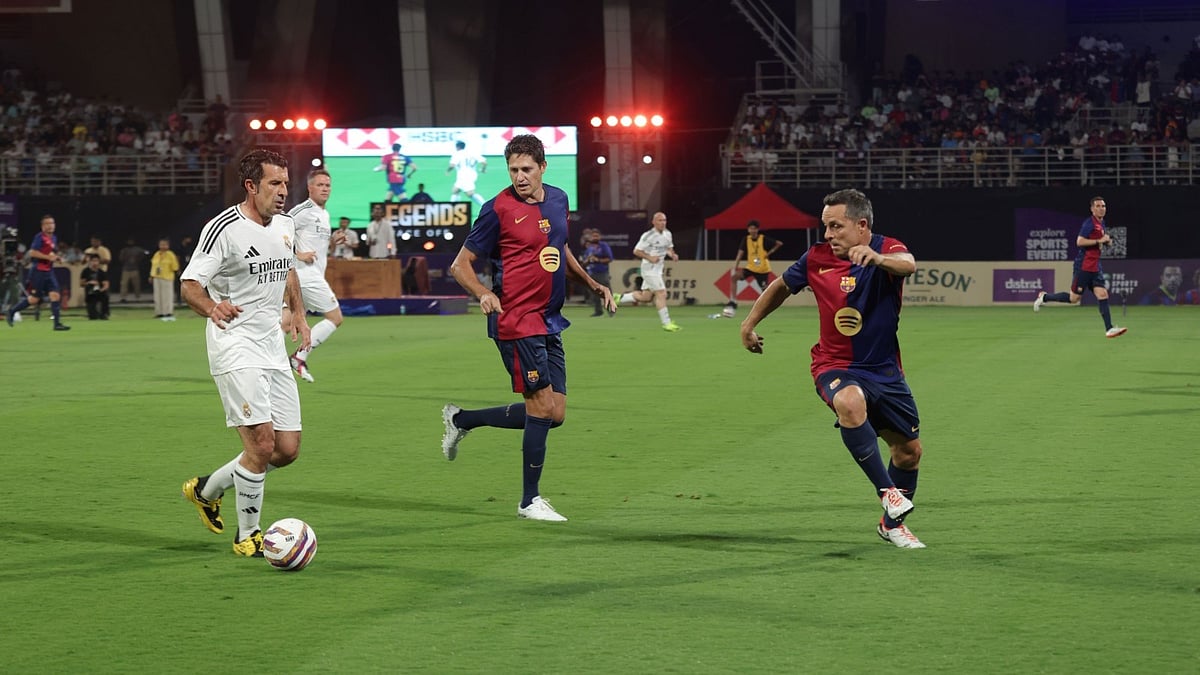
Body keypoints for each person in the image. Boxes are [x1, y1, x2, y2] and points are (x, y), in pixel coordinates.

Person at [441, 133, 615, 522]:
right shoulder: (496, 209)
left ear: (542, 168)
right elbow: (459, 265)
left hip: (549, 318)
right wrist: (483, 293)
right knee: (540, 406)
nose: (519, 177)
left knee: (556, 413)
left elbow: (561, 246)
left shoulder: (558, 199)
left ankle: (461, 419)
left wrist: (592, 283)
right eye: (513, 169)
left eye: (526, 169)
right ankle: (528, 501)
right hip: (515, 320)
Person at [739, 188, 926, 549]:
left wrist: (876, 259)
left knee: (908, 453)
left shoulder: (886, 249)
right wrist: (748, 324)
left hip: (884, 370)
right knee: (850, 403)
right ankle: (887, 491)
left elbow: (909, 263)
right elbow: (781, 286)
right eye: (825, 227)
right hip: (834, 363)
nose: (828, 235)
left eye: (836, 227)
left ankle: (891, 526)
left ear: (861, 225)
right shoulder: (816, 258)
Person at [179, 148, 311, 558]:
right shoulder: (224, 229)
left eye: (286, 183)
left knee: (286, 450)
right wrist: (212, 307)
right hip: (235, 347)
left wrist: (299, 313)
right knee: (259, 445)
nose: (284, 191)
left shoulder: (286, 224)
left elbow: (286, 264)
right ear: (251, 186)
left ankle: (206, 489)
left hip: (271, 345)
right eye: (274, 183)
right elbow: (190, 285)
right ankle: (248, 536)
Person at [285, 168, 349, 383]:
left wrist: (332, 243)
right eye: (320, 185)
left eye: (327, 185)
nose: (324, 189)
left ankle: (263, 365)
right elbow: (276, 232)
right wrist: (297, 253)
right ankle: (299, 357)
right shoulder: (302, 211)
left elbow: (316, 247)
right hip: (303, 275)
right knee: (335, 317)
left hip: (310, 275)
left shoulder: (324, 214)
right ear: (309, 187)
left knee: (285, 323)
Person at [1033, 196, 1128, 337]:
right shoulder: (1089, 223)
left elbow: (1099, 242)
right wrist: (1099, 240)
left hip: (1095, 267)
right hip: (1084, 266)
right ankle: (1045, 297)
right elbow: (1080, 241)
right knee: (1074, 299)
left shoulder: (1101, 223)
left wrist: (1106, 242)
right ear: (1092, 209)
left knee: (1102, 294)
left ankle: (1109, 329)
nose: (1101, 208)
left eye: (1103, 206)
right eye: (1098, 206)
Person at [614, 211, 681, 331]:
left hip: (658, 269)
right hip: (649, 269)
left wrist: (673, 255)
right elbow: (636, 251)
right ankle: (667, 323)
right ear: (654, 222)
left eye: (664, 220)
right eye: (660, 220)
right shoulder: (648, 235)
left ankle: (619, 298)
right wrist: (650, 257)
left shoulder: (667, 234)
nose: (662, 223)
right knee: (661, 293)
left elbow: (669, 248)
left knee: (646, 297)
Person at [5, 214, 70, 331]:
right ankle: (12, 311)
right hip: (38, 271)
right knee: (34, 299)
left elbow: (51, 252)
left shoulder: (53, 238)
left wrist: (57, 257)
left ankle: (57, 324)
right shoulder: (39, 237)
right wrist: (48, 257)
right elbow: (33, 253)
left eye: (52, 223)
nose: (50, 226)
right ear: (42, 226)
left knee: (55, 295)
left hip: (49, 271)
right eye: (47, 224)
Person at [731, 219, 783, 292]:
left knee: (764, 291)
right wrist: (735, 267)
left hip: (762, 269)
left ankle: (771, 300)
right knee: (734, 277)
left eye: (754, 228)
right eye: (751, 228)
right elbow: (739, 254)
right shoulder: (746, 239)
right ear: (748, 229)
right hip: (751, 267)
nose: (752, 230)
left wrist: (769, 253)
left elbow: (779, 243)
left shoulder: (763, 238)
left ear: (758, 229)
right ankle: (733, 301)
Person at [581, 228, 614, 316]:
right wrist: (588, 260)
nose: (595, 237)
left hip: (602, 272)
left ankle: (611, 310)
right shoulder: (589, 248)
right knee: (595, 293)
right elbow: (583, 262)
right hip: (591, 273)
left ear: (600, 237)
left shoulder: (603, 246)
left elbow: (609, 259)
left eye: (597, 236)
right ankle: (598, 311)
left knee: (607, 292)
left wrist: (598, 260)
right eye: (593, 236)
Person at [447, 139, 487, 206]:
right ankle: (452, 209)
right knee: (455, 191)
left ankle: (486, 206)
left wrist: (448, 171)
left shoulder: (457, 154)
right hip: (471, 175)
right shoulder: (472, 153)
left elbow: (452, 165)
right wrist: (483, 169)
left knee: (470, 193)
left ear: (457, 147)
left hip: (464, 176)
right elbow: (484, 163)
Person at [149, 237, 179, 321]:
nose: (163, 246)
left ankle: (168, 312)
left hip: (167, 277)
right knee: (157, 296)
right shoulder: (157, 254)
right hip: (157, 277)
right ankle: (159, 312)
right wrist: (151, 276)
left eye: (165, 244)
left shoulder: (170, 254)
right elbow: (154, 266)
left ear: (168, 245)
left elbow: (175, 267)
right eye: (161, 244)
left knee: (167, 296)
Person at [79, 253, 110, 319]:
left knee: (105, 296)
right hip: (90, 293)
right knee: (93, 317)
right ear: (90, 261)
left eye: (96, 261)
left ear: (99, 262)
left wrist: (101, 290)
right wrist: (89, 283)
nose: (95, 263)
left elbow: (106, 285)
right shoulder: (85, 271)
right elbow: (81, 284)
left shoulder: (102, 272)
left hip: (100, 292)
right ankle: (93, 312)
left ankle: (104, 313)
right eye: (93, 261)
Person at [117, 237, 145, 302]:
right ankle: (123, 297)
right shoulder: (124, 250)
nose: (130, 243)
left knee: (136, 284)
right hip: (126, 269)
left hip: (135, 269)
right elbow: (120, 259)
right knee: (124, 284)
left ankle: (137, 297)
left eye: (131, 241)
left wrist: (138, 259)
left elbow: (144, 253)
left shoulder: (138, 249)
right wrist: (126, 259)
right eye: (129, 241)